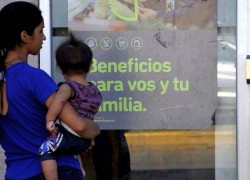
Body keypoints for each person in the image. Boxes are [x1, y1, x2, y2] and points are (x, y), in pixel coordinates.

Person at [0, 1, 100, 179]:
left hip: (17, 174)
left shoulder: (4, 78)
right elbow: (80, 125)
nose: (44, 37)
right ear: (25, 36)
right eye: (40, 31)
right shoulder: (33, 77)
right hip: (57, 171)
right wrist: (94, 130)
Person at [39, 33, 102, 180]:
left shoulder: (68, 87)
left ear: (61, 69)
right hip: (84, 141)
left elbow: (59, 101)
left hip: (69, 135)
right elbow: (95, 109)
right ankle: (81, 169)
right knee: (70, 151)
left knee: (45, 149)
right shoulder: (94, 89)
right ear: (90, 67)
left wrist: (50, 119)